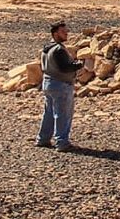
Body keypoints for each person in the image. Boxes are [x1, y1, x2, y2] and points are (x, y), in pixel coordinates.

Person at [37, 20, 88, 151]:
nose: (66, 33)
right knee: (62, 114)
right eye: (63, 31)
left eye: (66, 31)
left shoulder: (47, 47)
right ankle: (62, 142)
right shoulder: (59, 49)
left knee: (49, 113)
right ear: (55, 33)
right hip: (61, 84)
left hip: (48, 83)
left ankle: (43, 139)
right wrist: (79, 64)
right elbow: (64, 68)